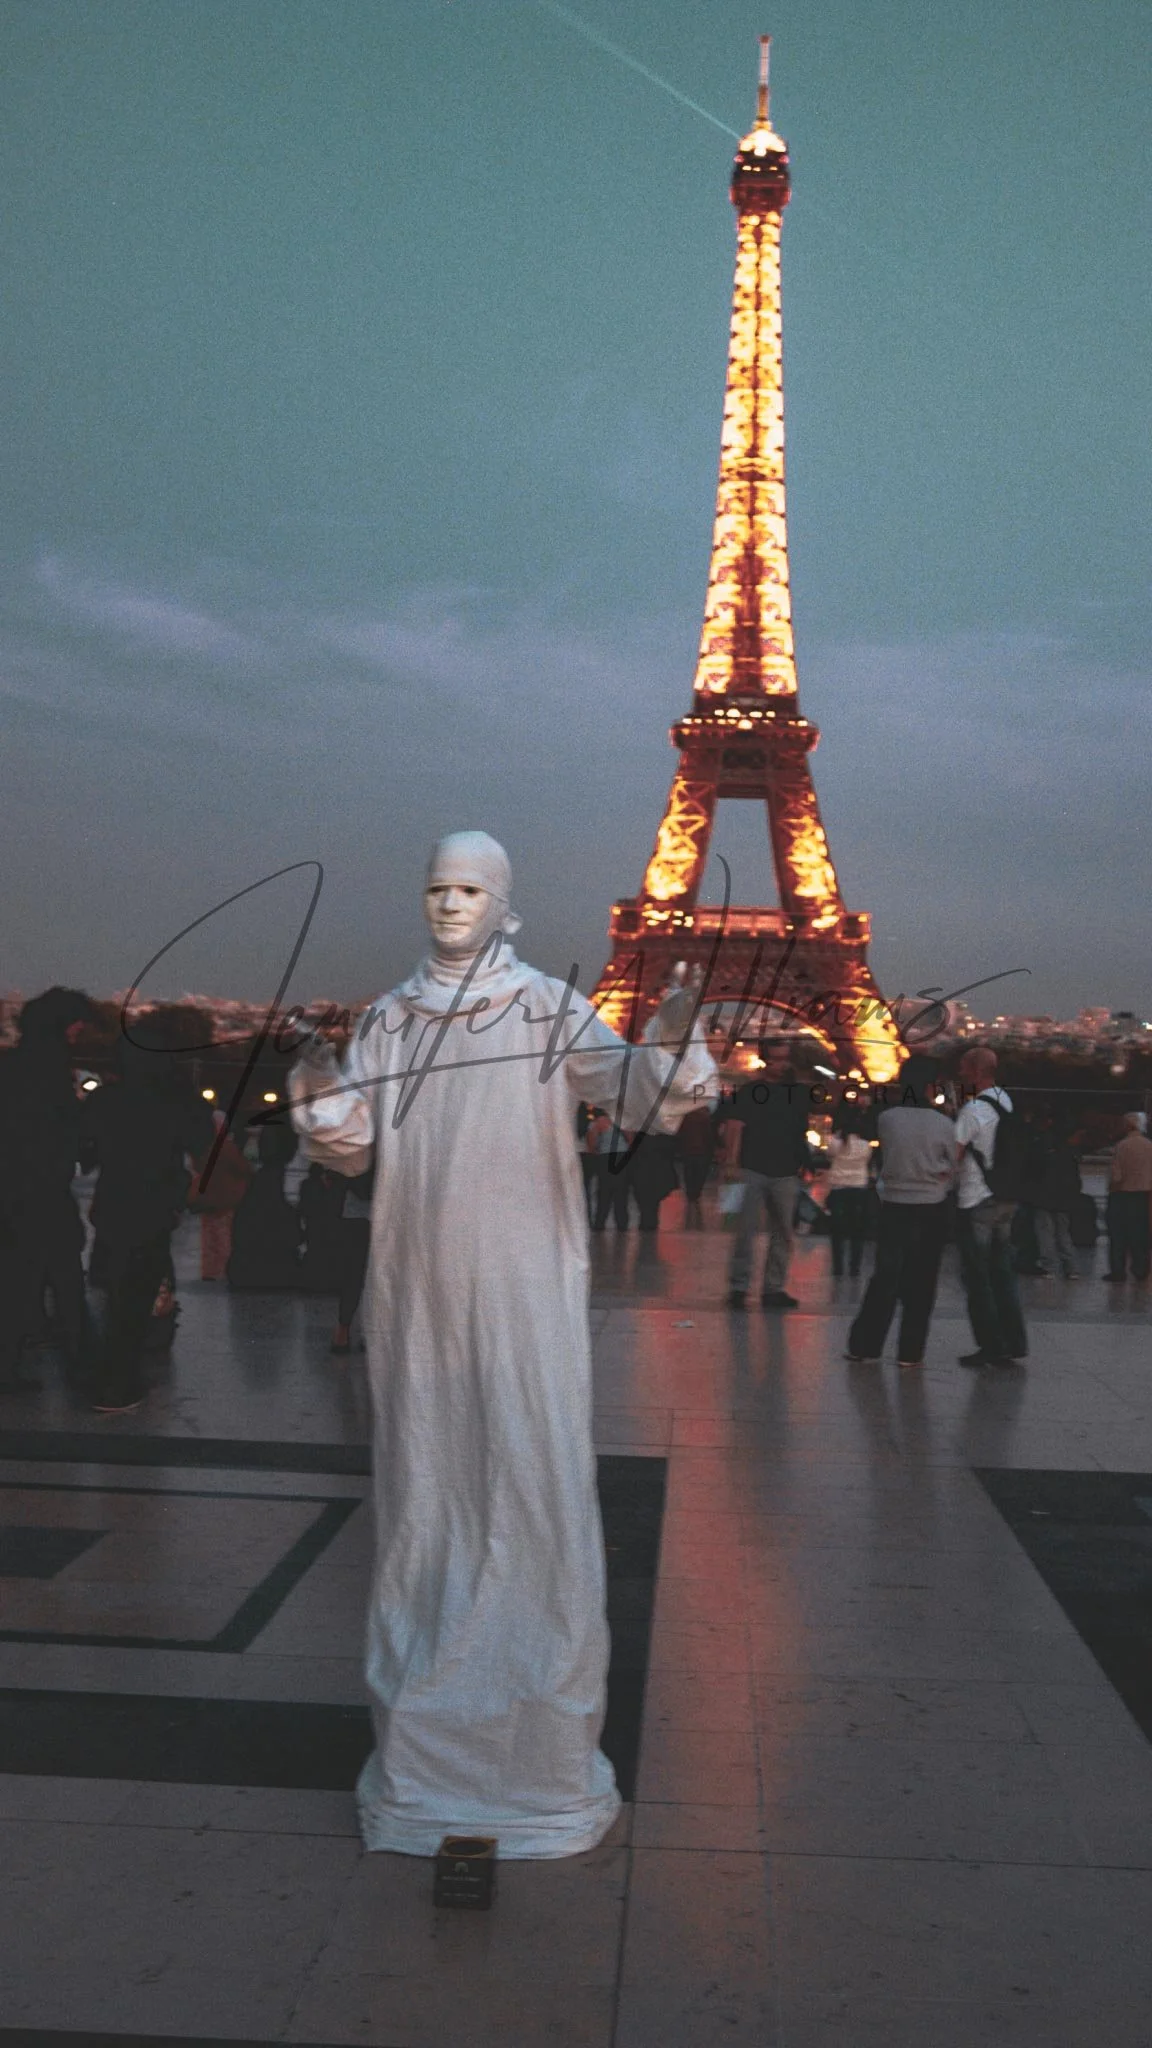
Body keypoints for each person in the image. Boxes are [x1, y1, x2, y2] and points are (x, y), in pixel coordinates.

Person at [289, 831, 715, 1859]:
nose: (448, 903)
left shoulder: (545, 1006)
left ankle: (524, 1718)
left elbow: (639, 1094)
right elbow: (351, 1141)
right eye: (435, 885)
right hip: (422, 1283)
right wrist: (319, 1086)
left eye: (468, 888)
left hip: (522, 1282)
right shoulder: (391, 1016)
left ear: (504, 901)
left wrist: (669, 1032)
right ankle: (453, 1723)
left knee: (524, 1465)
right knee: (433, 1474)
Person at [85, 1033, 216, 1413]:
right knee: (136, 1295)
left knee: (118, 1294)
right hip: (155, 1208)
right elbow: (200, 1140)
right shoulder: (174, 1102)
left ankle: (113, 1378)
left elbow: (87, 1150)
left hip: (112, 1205)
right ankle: (119, 1384)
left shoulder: (104, 1099)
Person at [0, 987, 99, 1394]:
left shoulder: (13, 1064)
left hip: (13, 1189)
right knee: (65, 1279)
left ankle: (10, 1368)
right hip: (42, 1190)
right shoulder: (52, 1069)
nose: (81, 1031)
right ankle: (83, 1366)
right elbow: (60, 1130)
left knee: (18, 1281)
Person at [845, 1054, 955, 1368]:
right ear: (933, 1086)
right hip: (931, 1205)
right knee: (923, 1281)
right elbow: (953, 1165)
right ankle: (910, 1351)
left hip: (893, 1204)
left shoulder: (888, 1119)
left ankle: (865, 1346)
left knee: (885, 1278)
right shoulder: (944, 1123)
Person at [719, 1038, 810, 1309]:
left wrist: (802, 1164)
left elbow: (799, 1132)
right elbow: (734, 1126)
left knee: (783, 1231)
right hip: (751, 1168)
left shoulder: (796, 1093)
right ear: (765, 1060)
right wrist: (732, 1164)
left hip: (784, 1170)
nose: (781, 1064)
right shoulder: (748, 1092)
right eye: (776, 1059)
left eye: (785, 1058)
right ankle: (741, 1286)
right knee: (745, 1231)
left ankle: (771, 1288)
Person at [954, 1047, 1028, 1368]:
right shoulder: (1006, 1100)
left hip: (977, 1198)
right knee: (1003, 1274)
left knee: (977, 1277)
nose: (959, 1074)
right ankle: (1014, 1341)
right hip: (1007, 1197)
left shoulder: (971, 1110)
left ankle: (990, 1344)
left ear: (974, 1071)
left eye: (962, 1068)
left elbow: (952, 1157)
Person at [227, 1123, 302, 1290]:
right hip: (273, 1274)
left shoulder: (256, 1187)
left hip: (245, 1273)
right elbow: (294, 1236)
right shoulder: (275, 1185)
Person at [1027, 1118, 1082, 1280]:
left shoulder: (1045, 1152)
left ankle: (1048, 1266)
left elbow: (1034, 1174)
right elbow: (1075, 1180)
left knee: (1045, 1234)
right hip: (1063, 1200)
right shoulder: (1071, 1155)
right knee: (1063, 1233)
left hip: (1044, 1198)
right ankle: (1071, 1267)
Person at [823, 1101, 873, 1278]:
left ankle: (838, 1267)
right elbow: (867, 1161)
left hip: (838, 1188)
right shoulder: (865, 1146)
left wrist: (837, 1135)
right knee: (857, 1231)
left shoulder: (836, 1144)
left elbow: (828, 1155)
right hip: (858, 1187)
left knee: (838, 1230)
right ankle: (855, 1268)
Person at [1105, 1111, 1152, 1282]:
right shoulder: (1149, 1146)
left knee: (1118, 1235)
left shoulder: (1121, 1146)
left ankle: (1118, 1271)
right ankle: (1141, 1269)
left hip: (1122, 1195)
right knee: (1140, 1235)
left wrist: (1112, 1188)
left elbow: (1116, 1176)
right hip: (1143, 1195)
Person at [331, 1165, 374, 1354]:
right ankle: (365, 1330)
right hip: (380, 1209)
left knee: (353, 1274)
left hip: (356, 1210)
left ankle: (344, 1328)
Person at [589, 1112, 632, 1233]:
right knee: (621, 1192)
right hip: (622, 1157)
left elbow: (591, 1142)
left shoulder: (599, 1122)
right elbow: (630, 1139)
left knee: (604, 1192)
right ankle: (622, 1223)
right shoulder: (624, 1119)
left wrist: (596, 1152)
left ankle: (600, 1222)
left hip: (605, 1158)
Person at [677, 1103, 716, 1227]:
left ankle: (691, 1196)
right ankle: (696, 1195)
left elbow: (680, 1134)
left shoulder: (686, 1117)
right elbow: (710, 1136)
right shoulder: (705, 1118)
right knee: (700, 1174)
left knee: (689, 1173)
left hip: (688, 1150)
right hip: (703, 1151)